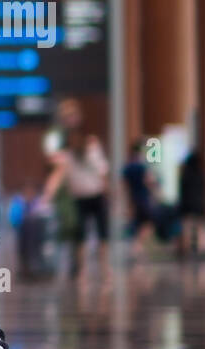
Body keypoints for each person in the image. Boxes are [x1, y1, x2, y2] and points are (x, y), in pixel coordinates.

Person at [42, 98, 109, 277]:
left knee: (97, 233)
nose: (70, 119)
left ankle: (97, 270)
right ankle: (80, 269)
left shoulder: (89, 140)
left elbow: (101, 169)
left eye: (72, 114)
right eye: (66, 115)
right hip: (73, 194)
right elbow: (56, 166)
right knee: (76, 232)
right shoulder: (59, 140)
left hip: (90, 192)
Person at [121, 139, 158, 256]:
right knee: (150, 222)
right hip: (143, 197)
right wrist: (155, 193)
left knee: (137, 223)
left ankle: (136, 245)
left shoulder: (127, 167)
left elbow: (124, 185)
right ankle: (138, 245)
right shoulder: (142, 166)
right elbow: (149, 180)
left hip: (133, 198)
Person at [179, 149, 205, 257]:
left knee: (187, 228)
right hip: (199, 205)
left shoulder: (185, 176)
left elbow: (182, 192)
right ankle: (201, 250)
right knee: (200, 228)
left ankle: (187, 251)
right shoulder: (200, 175)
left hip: (187, 205)